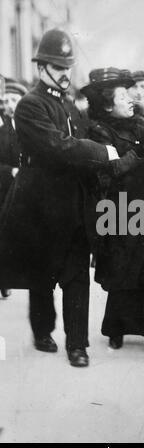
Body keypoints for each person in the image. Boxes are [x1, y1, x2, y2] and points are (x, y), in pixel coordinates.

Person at [0, 29, 119, 367]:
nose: (66, 72)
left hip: (73, 205)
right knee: (41, 275)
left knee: (76, 274)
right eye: (57, 66)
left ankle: (77, 345)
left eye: (68, 66)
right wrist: (102, 151)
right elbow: (56, 146)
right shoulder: (29, 105)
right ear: (41, 68)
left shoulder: (69, 106)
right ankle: (42, 331)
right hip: (39, 203)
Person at [81, 68, 144, 354]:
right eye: (123, 95)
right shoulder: (99, 131)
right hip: (118, 211)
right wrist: (141, 152)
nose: (130, 99)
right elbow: (110, 171)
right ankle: (117, 328)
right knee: (122, 270)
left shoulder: (141, 122)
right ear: (108, 104)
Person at [0, 80, 27, 299]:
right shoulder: (2, 129)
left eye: (14, 100)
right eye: (6, 100)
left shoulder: (32, 125)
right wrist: (11, 171)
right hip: (6, 188)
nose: (10, 105)